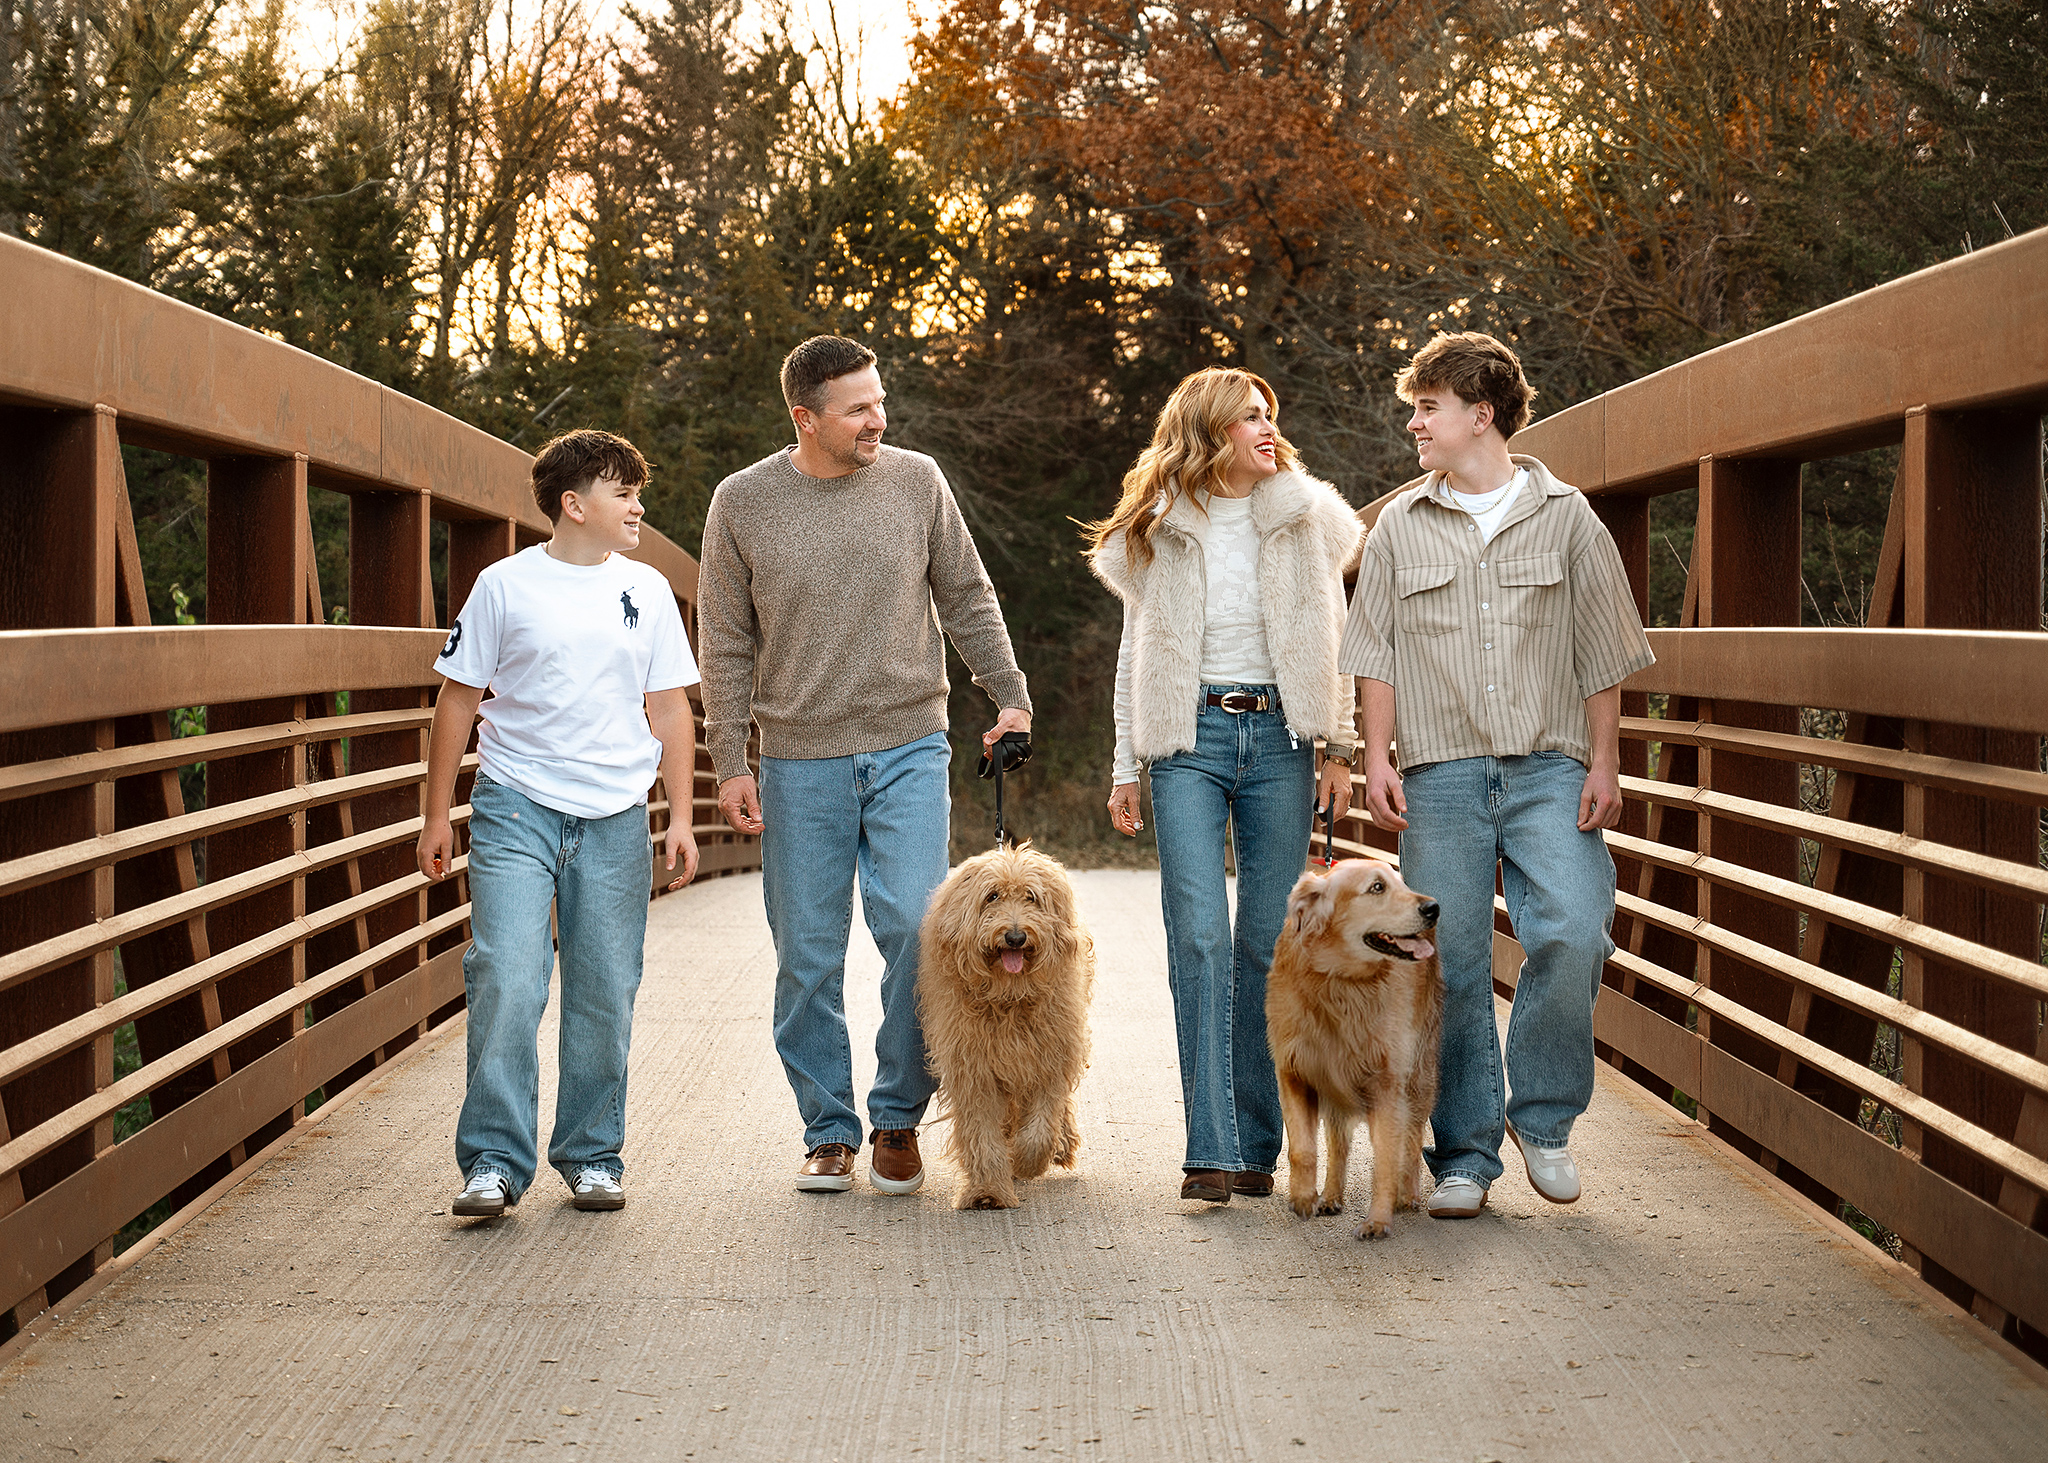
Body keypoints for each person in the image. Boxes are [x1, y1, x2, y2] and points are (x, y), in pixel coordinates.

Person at [698, 336, 1032, 1196]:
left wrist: (1010, 693)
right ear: (804, 418)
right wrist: (728, 757)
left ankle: (895, 1115)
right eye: (858, 407)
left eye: (880, 400)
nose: (878, 417)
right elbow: (726, 641)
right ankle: (828, 1129)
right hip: (798, 758)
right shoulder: (742, 502)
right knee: (806, 954)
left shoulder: (918, 481)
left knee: (918, 934)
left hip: (908, 744)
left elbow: (967, 591)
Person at [1337, 331, 1654, 1219]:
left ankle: (1544, 1119)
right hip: (1440, 774)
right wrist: (1375, 755)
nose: (1413, 424)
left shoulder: (1569, 517)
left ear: (1481, 414)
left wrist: (1606, 759)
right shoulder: (1400, 525)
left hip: (1551, 768)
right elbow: (1374, 654)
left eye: (1427, 408)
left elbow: (1605, 649)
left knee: (1574, 929)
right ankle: (1466, 1154)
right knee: (1451, 962)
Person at [1088, 367, 1363, 1203]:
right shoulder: (1162, 524)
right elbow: (1137, 650)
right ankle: (1208, 1145)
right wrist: (1124, 763)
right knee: (1200, 933)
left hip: (1281, 738)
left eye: (1269, 414)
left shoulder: (1305, 515)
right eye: (1248, 418)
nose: (1266, 429)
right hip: (1188, 739)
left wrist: (1340, 747)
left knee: (1264, 942)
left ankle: (1255, 1145)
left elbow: (1336, 634)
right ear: (1210, 431)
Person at [418, 429, 701, 1219]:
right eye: (624, 493)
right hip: (516, 805)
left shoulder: (645, 590)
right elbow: (457, 700)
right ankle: (493, 1164)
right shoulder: (503, 586)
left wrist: (680, 815)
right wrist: (436, 814)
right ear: (574, 505)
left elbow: (672, 706)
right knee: (507, 975)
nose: (638, 506)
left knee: (605, 989)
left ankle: (591, 1155)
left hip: (615, 814)